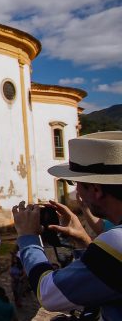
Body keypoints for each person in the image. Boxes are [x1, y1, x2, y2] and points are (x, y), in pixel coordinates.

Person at [13, 131, 122, 319]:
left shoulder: (116, 241)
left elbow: (48, 293)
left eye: (76, 182)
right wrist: (83, 241)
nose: (76, 189)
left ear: (96, 189)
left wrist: (28, 238)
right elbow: (105, 277)